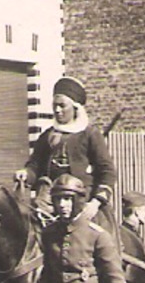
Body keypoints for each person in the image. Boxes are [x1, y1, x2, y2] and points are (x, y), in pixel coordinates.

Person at [19, 76, 116, 227]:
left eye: (62, 105)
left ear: (75, 107)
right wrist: (26, 173)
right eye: (55, 106)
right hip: (49, 201)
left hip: (82, 201)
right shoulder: (47, 136)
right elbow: (35, 166)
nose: (57, 110)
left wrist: (96, 202)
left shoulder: (90, 135)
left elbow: (107, 171)